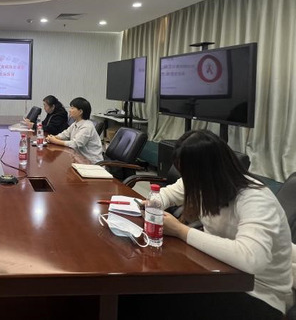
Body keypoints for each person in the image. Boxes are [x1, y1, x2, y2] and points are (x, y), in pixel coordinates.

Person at [120, 130, 293, 320]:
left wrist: (180, 231)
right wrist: (152, 204)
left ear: (209, 170)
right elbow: (166, 195)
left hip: (258, 294)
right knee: (139, 289)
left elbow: (251, 258)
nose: (187, 182)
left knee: (146, 297)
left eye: (189, 175)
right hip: (217, 274)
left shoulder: (255, 198)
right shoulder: (205, 181)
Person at [46, 97, 103, 163]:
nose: (69, 110)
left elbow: (75, 144)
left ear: (80, 111)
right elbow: (65, 134)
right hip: (79, 159)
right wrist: (53, 137)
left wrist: (55, 141)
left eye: (72, 108)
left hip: (91, 163)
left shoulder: (87, 127)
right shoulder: (76, 123)